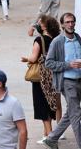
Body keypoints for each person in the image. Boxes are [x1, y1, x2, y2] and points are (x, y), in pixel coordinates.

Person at [42, 13, 81, 148]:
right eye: (68, 22)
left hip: (79, 80)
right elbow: (49, 63)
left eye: (73, 22)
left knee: (72, 112)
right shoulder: (58, 41)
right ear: (63, 24)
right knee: (76, 114)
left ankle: (51, 138)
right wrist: (68, 65)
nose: (71, 24)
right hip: (67, 82)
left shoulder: (78, 38)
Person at [21, 15, 60, 143]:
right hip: (53, 74)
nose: (37, 25)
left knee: (42, 106)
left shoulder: (40, 39)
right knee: (50, 103)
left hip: (41, 77)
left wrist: (25, 59)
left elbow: (33, 58)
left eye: (39, 23)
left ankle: (50, 137)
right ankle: (46, 135)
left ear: (44, 26)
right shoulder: (56, 39)